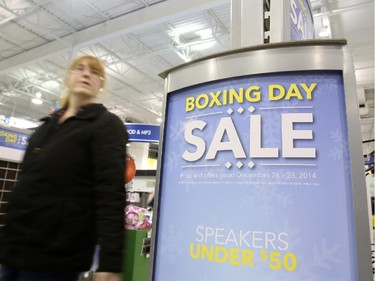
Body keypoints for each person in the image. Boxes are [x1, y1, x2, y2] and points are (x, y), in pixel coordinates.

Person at [0, 55, 128, 281]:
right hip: (15, 252)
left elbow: (110, 194)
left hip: (56, 257)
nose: (86, 74)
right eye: (79, 68)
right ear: (68, 78)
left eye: (95, 72)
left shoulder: (105, 125)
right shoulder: (44, 129)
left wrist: (110, 261)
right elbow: (26, 188)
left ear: (100, 85)